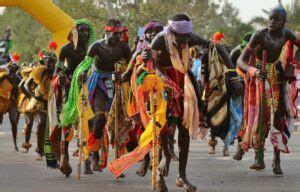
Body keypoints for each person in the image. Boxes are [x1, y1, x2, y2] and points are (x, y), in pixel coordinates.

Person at [62, 18, 131, 174]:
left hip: (116, 83)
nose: (117, 37)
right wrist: (81, 77)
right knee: (99, 118)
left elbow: (130, 67)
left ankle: (119, 162)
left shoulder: (124, 48)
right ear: (106, 32)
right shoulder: (96, 46)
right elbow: (85, 65)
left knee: (120, 121)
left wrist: (122, 76)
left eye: (120, 34)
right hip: (97, 82)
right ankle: (93, 153)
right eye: (114, 34)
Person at [237, 6, 300, 175]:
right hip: (260, 77)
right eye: (270, 18)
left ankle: (277, 159)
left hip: (276, 75)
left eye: (276, 19)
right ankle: (259, 157)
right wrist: (255, 71)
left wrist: (292, 66)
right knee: (261, 115)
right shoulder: (259, 35)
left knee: (278, 116)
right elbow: (240, 61)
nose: (272, 22)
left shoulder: (287, 34)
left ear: (284, 22)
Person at [46, 19, 95, 176]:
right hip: (69, 85)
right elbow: (58, 70)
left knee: (90, 122)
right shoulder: (66, 49)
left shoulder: (92, 48)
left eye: (87, 31)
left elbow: (96, 67)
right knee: (65, 122)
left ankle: (88, 159)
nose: (85, 33)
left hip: (88, 83)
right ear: (74, 31)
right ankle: (64, 158)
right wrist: (60, 77)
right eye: (81, 30)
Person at [23, 50, 57, 160]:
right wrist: (34, 96)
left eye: (53, 62)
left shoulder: (59, 72)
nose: (51, 65)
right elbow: (25, 85)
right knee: (42, 123)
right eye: (49, 62)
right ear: (44, 62)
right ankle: (39, 151)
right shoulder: (39, 71)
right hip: (40, 102)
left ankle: (54, 150)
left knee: (55, 126)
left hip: (54, 102)